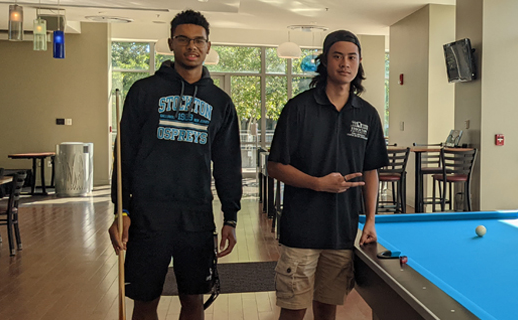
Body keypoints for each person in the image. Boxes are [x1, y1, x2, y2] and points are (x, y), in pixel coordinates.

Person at [107, 9, 242, 320]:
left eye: (198, 40)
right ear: (171, 42)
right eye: (183, 39)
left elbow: (227, 165)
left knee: (193, 301)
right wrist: (121, 210)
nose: (191, 46)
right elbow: (124, 155)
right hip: (146, 217)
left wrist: (231, 218)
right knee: (144, 301)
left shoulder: (221, 103)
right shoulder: (143, 92)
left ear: (209, 46)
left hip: (195, 217)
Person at [266, 30, 389, 320]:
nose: (345, 63)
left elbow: (371, 171)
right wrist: (317, 184)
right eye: (337, 56)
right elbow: (274, 166)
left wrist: (370, 220)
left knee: (327, 310)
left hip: (342, 232)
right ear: (325, 62)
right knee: (293, 311)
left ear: (359, 63)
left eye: (351, 57)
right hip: (301, 232)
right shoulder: (298, 108)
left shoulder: (367, 114)